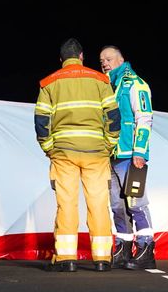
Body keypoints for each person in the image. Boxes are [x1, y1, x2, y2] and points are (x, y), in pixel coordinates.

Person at [35, 38, 118, 272]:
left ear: (61, 59)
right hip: (96, 153)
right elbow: (114, 116)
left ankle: (66, 258)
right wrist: (109, 145)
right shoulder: (100, 80)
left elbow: (41, 120)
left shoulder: (49, 83)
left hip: (63, 154)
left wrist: (49, 147)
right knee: (98, 204)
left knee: (66, 204)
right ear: (81, 57)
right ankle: (102, 259)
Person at [99, 45, 155, 270]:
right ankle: (123, 248)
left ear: (121, 60)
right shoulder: (107, 86)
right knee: (117, 206)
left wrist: (140, 151)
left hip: (130, 154)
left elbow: (145, 117)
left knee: (136, 203)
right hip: (111, 155)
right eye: (101, 60)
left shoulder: (135, 84)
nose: (104, 63)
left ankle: (146, 249)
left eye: (108, 59)